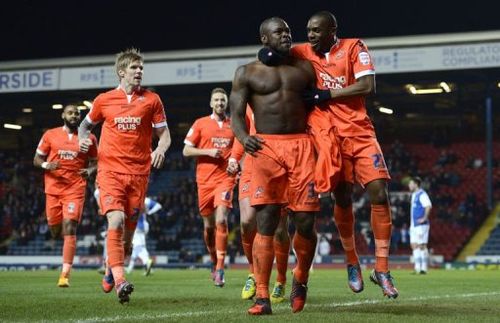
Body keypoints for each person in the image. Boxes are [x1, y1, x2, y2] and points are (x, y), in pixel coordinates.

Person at [291, 11, 398, 298]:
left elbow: (367, 85)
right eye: (308, 30)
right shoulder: (302, 51)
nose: (310, 35)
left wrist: (326, 95)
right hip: (330, 139)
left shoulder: (354, 47)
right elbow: (277, 53)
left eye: (316, 30)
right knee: (342, 197)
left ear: (332, 30)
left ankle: (382, 268)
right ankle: (352, 262)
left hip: (360, 133)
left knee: (379, 191)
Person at [230, 17, 319, 315]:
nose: (286, 35)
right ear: (264, 39)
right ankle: (263, 298)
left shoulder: (304, 68)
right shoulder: (246, 73)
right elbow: (237, 115)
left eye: (288, 31)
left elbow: (320, 108)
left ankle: (300, 279)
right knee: (266, 223)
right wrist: (244, 138)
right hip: (266, 148)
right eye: (279, 32)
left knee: (306, 221)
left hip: (301, 147)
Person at [78, 48, 171, 304]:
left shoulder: (152, 100)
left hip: (139, 174)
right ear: (122, 72)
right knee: (115, 221)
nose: (139, 71)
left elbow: (164, 135)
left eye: (141, 68)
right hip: (110, 172)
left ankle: (111, 269)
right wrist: (83, 141)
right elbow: (84, 126)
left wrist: (160, 149)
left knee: (128, 240)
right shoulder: (103, 100)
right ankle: (120, 281)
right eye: (134, 68)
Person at [227, 107, 291, 303]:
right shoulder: (249, 95)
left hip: (279, 162)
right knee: (247, 221)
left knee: (279, 229)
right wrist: (233, 158)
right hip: (252, 164)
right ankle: (253, 274)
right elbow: (242, 130)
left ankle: (280, 280)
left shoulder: (287, 91)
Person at [33, 104, 98, 288]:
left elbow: (96, 161)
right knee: (55, 231)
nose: (74, 115)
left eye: (77, 113)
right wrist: (47, 166)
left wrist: (90, 170)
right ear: (63, 115)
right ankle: (60, 238)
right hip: (53, 190)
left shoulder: (89, 137)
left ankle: (64, 275)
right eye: (70, 113)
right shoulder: (50, 135)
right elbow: (37, 159)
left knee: (70, 227)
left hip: (75, 189)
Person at [183, 87, 236, 287]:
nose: (220, 103)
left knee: (222, 219)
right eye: (217, 100)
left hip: (226, 179)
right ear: (211, 103)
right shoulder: (200, 123)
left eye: (223, 100)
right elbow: (186, 151)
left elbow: (242, 148)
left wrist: (235, 162)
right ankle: (214, 260)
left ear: (227, 103)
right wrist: (208, 151)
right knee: (209, 227)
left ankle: (221, 268)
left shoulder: (234, 125)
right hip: (204, 181)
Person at [126, 196, 162, 275]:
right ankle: (130, 268)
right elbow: (159, 206)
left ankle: (146, 261)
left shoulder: (131, 199)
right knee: (138, 247)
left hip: (136, 226)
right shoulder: (145, 200)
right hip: (144, 225)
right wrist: (149, 212)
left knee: (137, 247)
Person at [408, 176, 432, 274]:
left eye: (411, 183)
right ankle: (417, 268)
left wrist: (425, 218)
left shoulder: (422, 194)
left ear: (416, 184)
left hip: (421, 225)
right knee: (414, 245)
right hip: (414, 225)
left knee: (421, 245)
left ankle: (424, 268)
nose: (409, 185)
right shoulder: (414, 195)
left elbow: (428, 206)